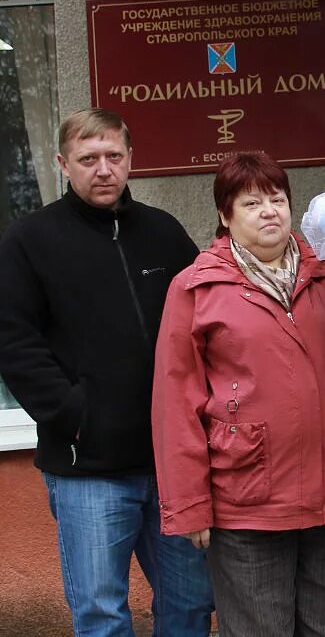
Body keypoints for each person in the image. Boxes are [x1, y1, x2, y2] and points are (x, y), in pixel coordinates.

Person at [152, 152, 325, 636]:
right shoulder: (196, 288)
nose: (269, 210)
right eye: (252, 202)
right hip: (246, 500)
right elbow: (175, 401)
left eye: (277, 199)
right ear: (226, 217)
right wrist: (188, 504)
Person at [0, 108, 214, 635]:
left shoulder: (162, 233)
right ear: (62, 164)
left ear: (130, 161)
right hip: (88, 469)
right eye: (88, 159)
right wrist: (73, 414)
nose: (103, 169)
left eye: (113, 157)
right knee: (101, 615)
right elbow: (13, 341)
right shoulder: (30, 240)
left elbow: (207, 320)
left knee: (190, 605)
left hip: (172, 467)